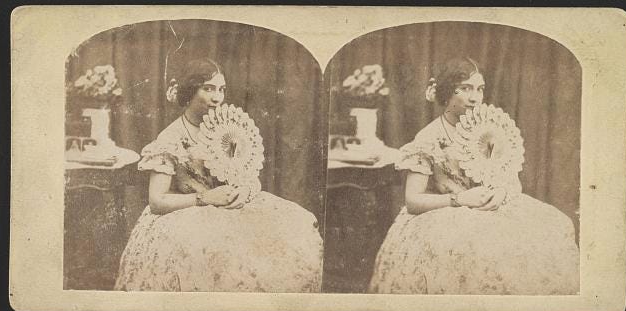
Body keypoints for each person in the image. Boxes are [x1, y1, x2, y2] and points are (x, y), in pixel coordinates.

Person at [368, 57, 579, 295]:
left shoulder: (489, 128)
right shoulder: (429, 138)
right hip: (448, 215)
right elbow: (413, 200)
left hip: (496, 209)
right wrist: (459, 200)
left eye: (479, 89)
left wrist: (502, 191)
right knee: (476, 249)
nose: (474, 97)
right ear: (447, 92)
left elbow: (512, 181)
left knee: (554, 225)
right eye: (465, 89)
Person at [115, 58, 323, 292]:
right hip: (187, 216)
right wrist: (205, 198)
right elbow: (157, 200)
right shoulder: (170, 138)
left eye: (221, 89)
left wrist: (246, 189)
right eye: (208, 88)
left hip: (233, 209)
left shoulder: (226, 128)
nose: (217, 97)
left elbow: (248, 175)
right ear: (190, 90)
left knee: (292, 232)